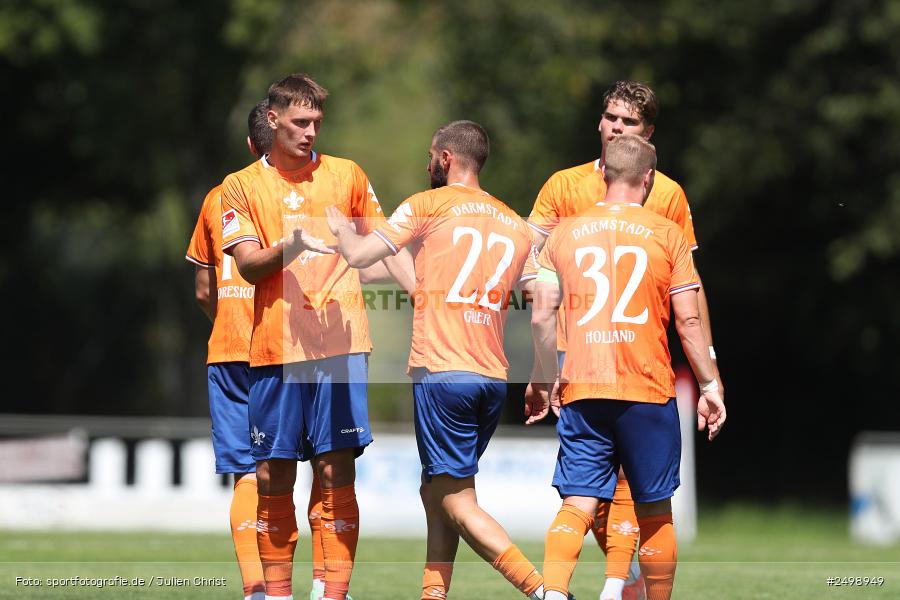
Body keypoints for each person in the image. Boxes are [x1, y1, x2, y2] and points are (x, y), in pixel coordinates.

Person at [325, 120, 549, 600]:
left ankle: (544, 591)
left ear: (446, 158)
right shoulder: (512, 222)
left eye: (431, 155)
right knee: (437, 490)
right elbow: (540, 301)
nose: (427, 163)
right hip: (491, 377)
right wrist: (545, 374)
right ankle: (434, 593)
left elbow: (363, 255)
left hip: (442, 372)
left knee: (456, 499)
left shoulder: (426, 205)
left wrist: (342, 231)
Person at [525, 80, 722, 600]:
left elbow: (689, 287)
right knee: (647, 501)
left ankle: (604, 584)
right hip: (633, 370)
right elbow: (527, 261)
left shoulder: (666, 198)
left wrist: (542, 362)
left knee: (587, 493)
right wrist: (710, 380)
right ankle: (625, 582)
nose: (615, 126)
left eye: (628, 122)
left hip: (588, 368)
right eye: (610, 117)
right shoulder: (564, 185)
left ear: (647, 132)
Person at [221, 73, 413, 600]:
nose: (310, 133)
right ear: (272, 119)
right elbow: (247, 268)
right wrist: (295, 244)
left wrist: (425, 297)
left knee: (335, 471)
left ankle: (334, 593)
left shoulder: (347, 174)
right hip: (273, 348)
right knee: (272, 476)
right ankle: (276, 593)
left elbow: (382, 248)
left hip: (340, 345)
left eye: (317, 123)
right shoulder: (239, 186)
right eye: (300, 122)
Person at [185, 100, 274, 600]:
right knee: (284, 468)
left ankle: (256, 588)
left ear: (248, 145)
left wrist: (225, 322)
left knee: (245, 472)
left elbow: (202, 288)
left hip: (228, 347)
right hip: (280, 346)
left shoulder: (218, 196)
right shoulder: (294, 194)